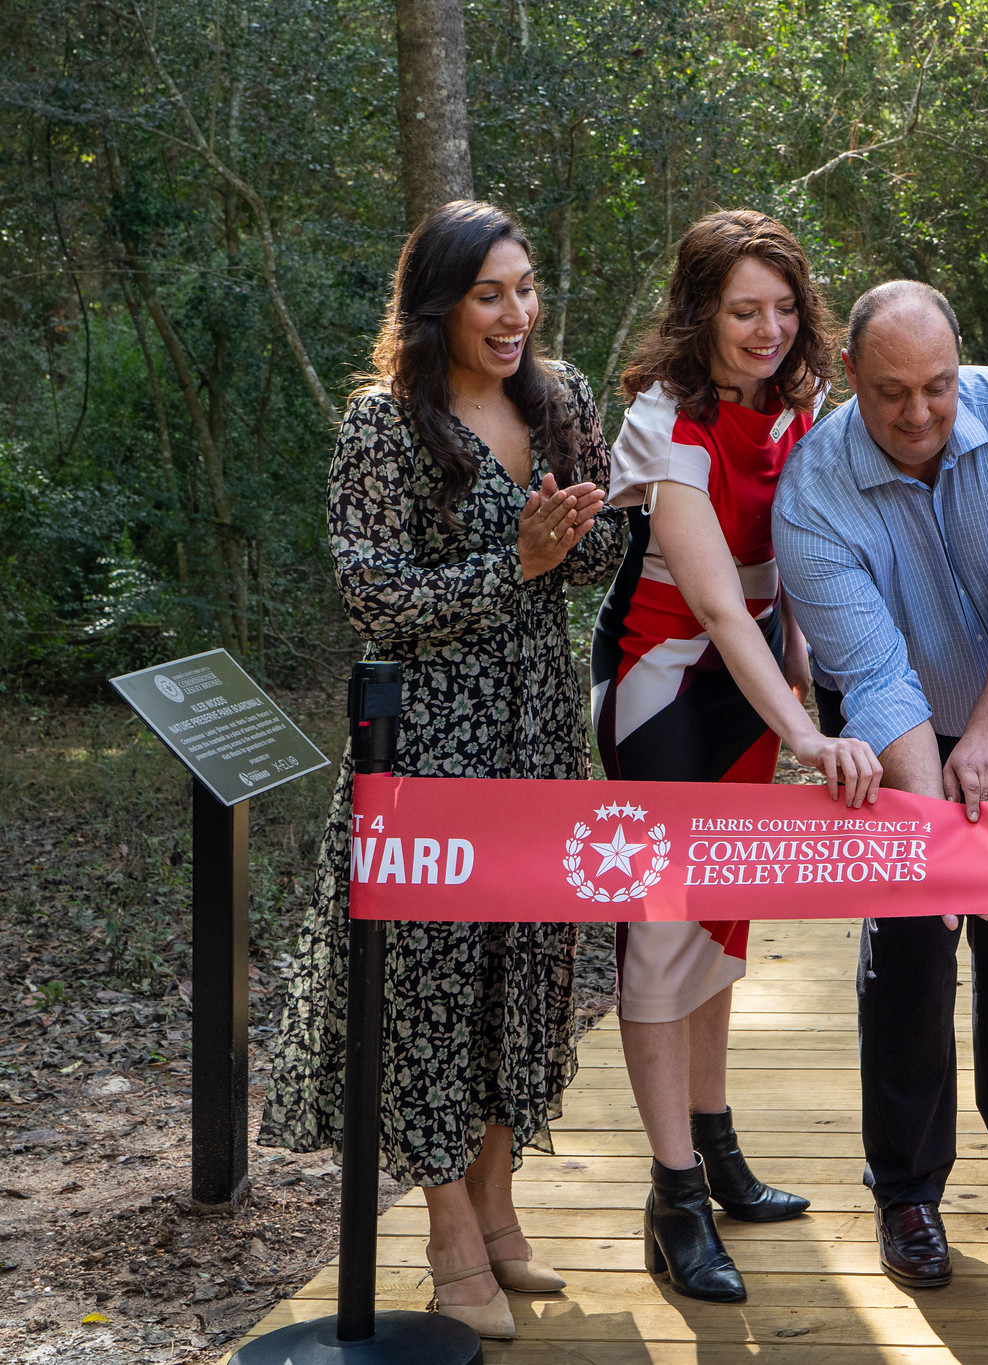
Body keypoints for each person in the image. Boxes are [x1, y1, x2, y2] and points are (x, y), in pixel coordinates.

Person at [261, 201, 622, 1341]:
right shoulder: (385, 424)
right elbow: (372, 600)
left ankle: (502, 1210)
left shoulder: (556, 399)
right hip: (428, 746)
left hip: (538, 732)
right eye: (489, 294)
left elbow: (600, 548)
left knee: (531, 974)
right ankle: (448, 1233)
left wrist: (577, 528)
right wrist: (515, 564)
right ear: (439, 304)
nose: (516, 314)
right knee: (428, 989)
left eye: (524, 290)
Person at [772, 280, 988, 1291]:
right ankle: (907, 1187)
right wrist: (934, 809)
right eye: (889, 394)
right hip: (891, 726)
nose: (918, 415)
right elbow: (872, 674)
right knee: (912, 941)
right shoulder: (811, 494)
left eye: (937, 388)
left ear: (961, 369)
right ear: (848, 383)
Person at [591, 209, 884, 1303]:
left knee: (720, 921)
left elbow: (792, 572)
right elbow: (715, 602)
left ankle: (714, 1148)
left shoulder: (802, 408)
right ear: (699, 312)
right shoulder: (661, 423)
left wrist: (808, 679)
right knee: (662, 939)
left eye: (782, 308)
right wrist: (807, 730)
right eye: (741, 310)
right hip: (664, 687)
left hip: (756, 682)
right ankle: (671, 1199)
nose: (767, 330)